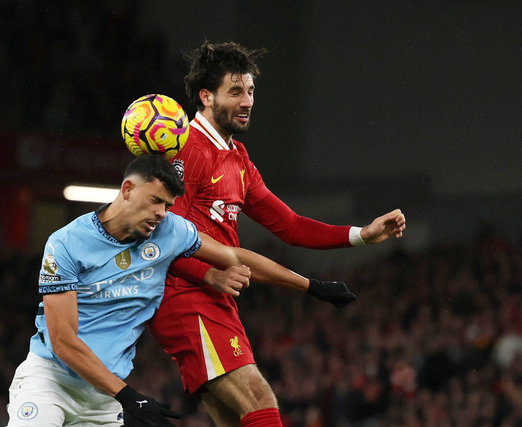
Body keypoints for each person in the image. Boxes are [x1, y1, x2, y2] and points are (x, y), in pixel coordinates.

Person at [148, 41, 408, 426]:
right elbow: (162, 239)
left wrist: (361, 235)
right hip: (184, 296)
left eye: (250, 91)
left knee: (237, 418)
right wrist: (210, 273)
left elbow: (289, 225)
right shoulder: (190, 149)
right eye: (235, 91)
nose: (248, 100)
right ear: (206, 96)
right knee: (258, 398)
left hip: (216, 296)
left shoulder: (237, 158)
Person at [6, 154, 354, 426]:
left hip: (104, 398)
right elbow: (64, 341)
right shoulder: (66, 244)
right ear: (127, 190)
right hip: (51, 381)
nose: (161, 213)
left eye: (168, 206)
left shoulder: (170, 231)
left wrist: (310, 286)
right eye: (155, 200)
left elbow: (233, 256)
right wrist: (128, 396)